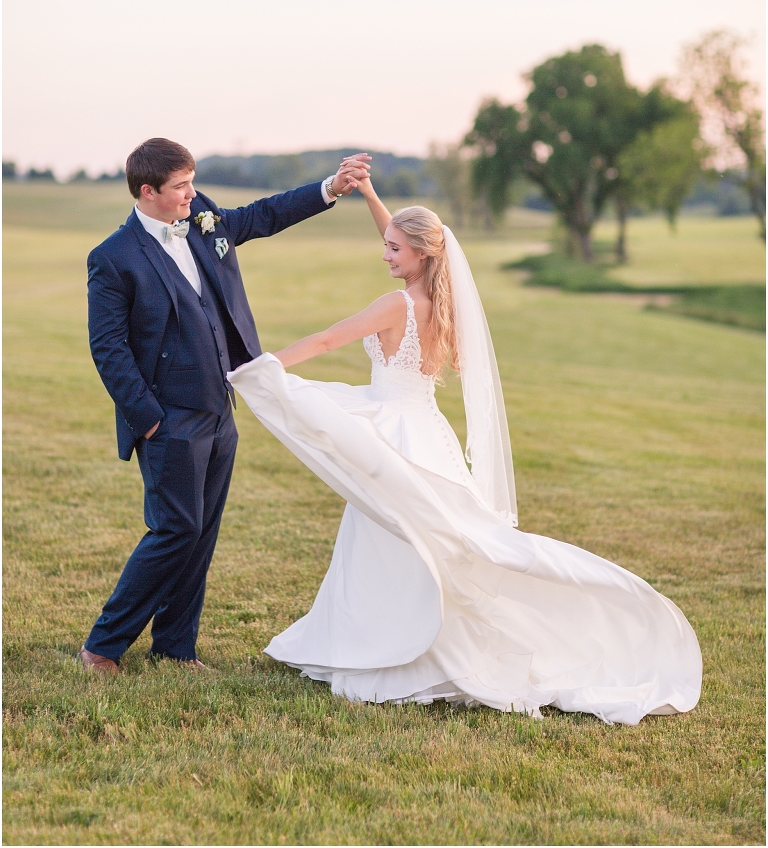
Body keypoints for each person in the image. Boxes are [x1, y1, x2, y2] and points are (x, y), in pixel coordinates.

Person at [229, 176, 703, 724]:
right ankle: (387, 640)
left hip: (393, 430)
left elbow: (327, 340)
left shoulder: (395, 304)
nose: (384, 253)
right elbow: (409, 242)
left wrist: (261, 369)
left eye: (393, 250)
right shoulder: (443, 299)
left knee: (398, 533)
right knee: (417, 534)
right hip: (427, 432)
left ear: (419, 255)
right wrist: (369, 195)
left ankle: (390, 650)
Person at [79, 137, 371, 674]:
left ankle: (175, 647)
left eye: (192, 182)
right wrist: (148, 420)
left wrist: (330, 188)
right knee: (175, 530)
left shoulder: (203, 218)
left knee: (202, 530)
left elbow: (262, 216)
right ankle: (102, 646)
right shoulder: (113, 258)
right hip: (167, 419)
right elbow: (109, 349)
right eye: (181, 187)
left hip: (221, 406)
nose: (193, 194)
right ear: (148, 192)